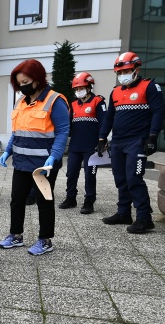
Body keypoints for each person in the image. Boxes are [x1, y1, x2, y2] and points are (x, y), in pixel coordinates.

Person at [0, 59, 69, 255]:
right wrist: (8, 151)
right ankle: (15, 235)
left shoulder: (55, 100)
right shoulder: (21, 101)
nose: (22, 86)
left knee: (44, 201)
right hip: (21, 162)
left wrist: (54, 156)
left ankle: (45, 240)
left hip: (43, 165)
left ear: (37, 79)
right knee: (17, 200)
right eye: (19, 83)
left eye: (26, 81)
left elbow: (63, 131)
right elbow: (17, 131)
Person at [98, 52, 164, 234]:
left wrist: (152, 137)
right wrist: (102, 138)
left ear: (136, 68)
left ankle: (144, 218)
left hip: (138, 141)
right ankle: (123, 213)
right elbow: (109, 116)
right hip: (118, 141)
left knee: (134, 178)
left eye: (126, 70)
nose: (122, 75)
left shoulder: (150, 86)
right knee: (120, 178)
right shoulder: (116, 92)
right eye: (119, 72)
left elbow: (158, 112)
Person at [58, 73, 107, 214]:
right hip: (75, 146)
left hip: (91, 146)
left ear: (89, 87)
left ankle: (89, 201)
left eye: (82, 88)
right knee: (71, 173)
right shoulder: (73, 105)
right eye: (76, 88)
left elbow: (104, 122)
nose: (79, 91)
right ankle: (70, 198)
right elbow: (67, 124)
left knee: (90, 174)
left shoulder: (98, 101)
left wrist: (102, 140)